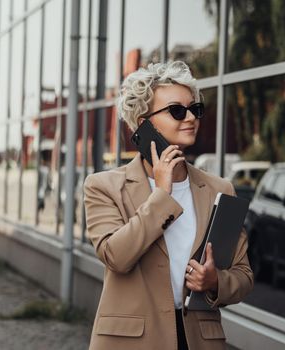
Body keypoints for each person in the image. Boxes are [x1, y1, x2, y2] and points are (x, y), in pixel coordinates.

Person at [83, 61, 254, 350]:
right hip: (131, 342)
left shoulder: (219, 189)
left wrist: (214, 281)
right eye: (177, 110)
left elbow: (243, 276)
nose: (190, 118)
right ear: (143, 123)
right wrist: (162, 194)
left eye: (195, 109)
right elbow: (116, 256)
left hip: (198, 341)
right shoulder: (103, 186)